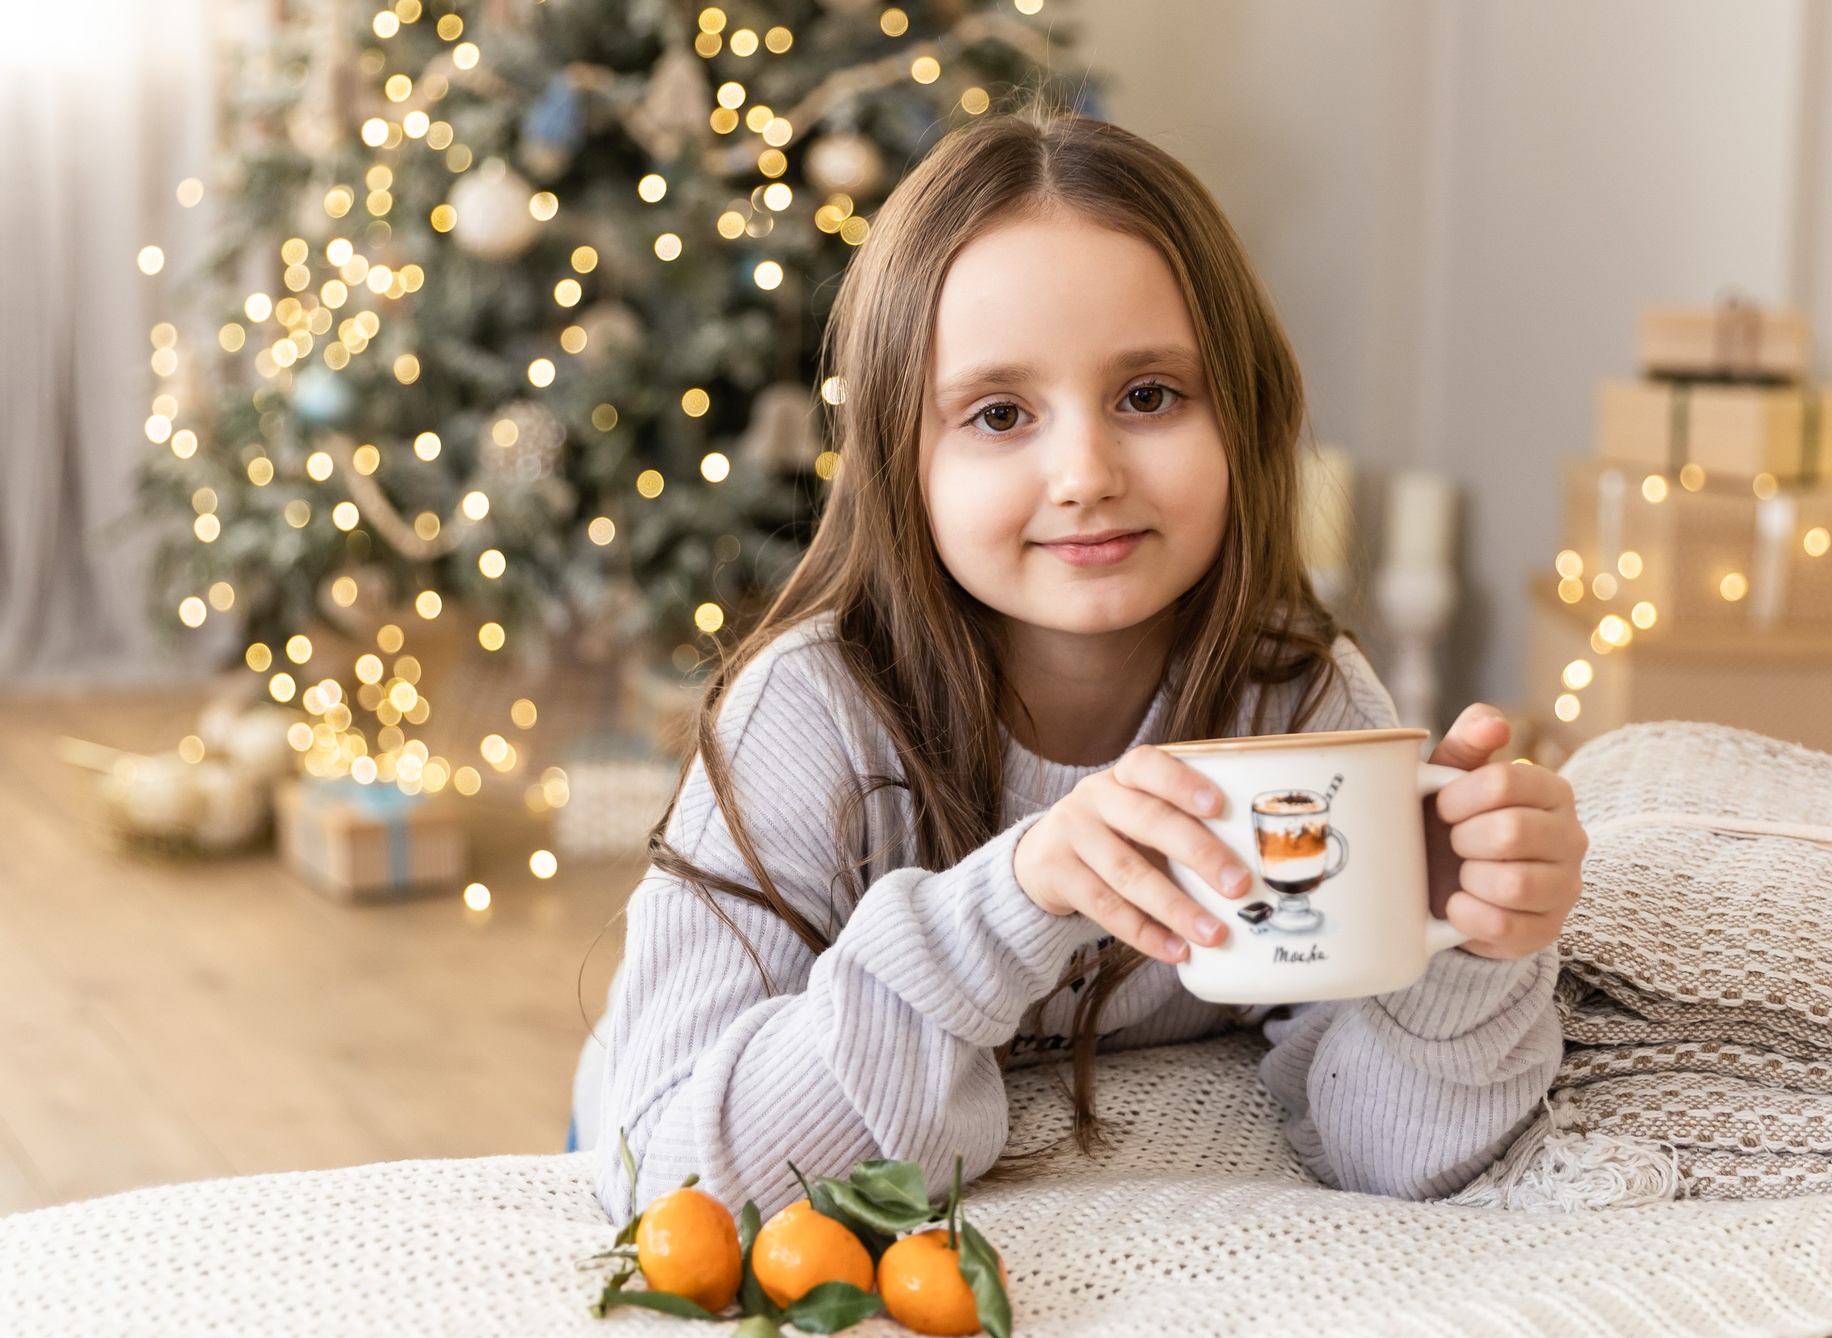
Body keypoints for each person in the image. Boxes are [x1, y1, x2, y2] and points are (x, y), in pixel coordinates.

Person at [573, 110, 1586, 1217]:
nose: (1084, 473)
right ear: (899, 457)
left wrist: (1466, 951)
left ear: (1240, 417)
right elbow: (666, 1180)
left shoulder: (1298, 706)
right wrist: (1007, 904)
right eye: (999, 413)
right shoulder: (808, 712)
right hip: (700, 1105)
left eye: (1147, 397)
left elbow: (1393, 1158)